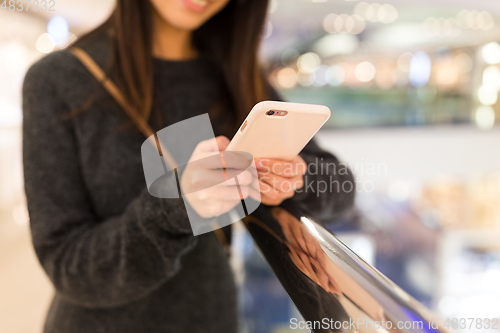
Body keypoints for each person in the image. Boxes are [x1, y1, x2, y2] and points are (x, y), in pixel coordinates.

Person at [22, 0, 355, 332]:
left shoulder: (235, 73)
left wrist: (294, 178)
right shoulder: (58, 80)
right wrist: (180, 206)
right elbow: (67, 263)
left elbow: (342, 188)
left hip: (213, 319)